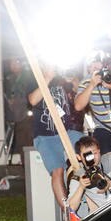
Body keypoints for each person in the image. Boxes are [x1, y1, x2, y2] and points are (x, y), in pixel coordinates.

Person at [27, 64, 85, 208]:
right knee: (57, 170)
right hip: (46, 135)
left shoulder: (67, 74)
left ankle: (91, 202)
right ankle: (67, 211)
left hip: (69, 131)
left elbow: (80, 98)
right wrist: (47, 78)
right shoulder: (34, 75)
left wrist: (73, 80)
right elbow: (33, 100)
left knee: (88, 154)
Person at [66, 136, 111, 218]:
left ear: (99, 151)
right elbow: (71, 209)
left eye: (95, 153)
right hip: (102, 217)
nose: (92, 157)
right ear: (79, 157)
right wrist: (81, 187)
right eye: (87, 155)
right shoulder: (79, 176)